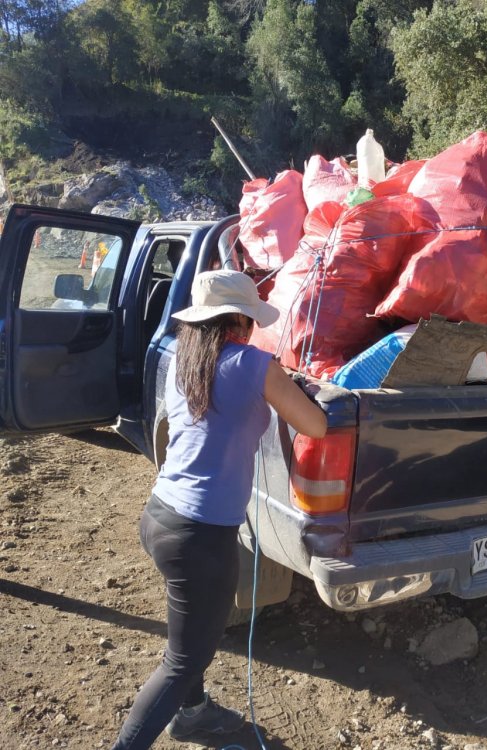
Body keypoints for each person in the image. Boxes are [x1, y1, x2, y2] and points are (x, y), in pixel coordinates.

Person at [111, 270, 327, 749]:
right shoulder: (255, 366)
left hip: (161, 516)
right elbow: (316, 425)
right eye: (250, 321)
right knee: (182, 660)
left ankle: (192, 713)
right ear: (239, 322)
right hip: (200, 537)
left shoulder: (186, 362)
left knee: (188, 634)